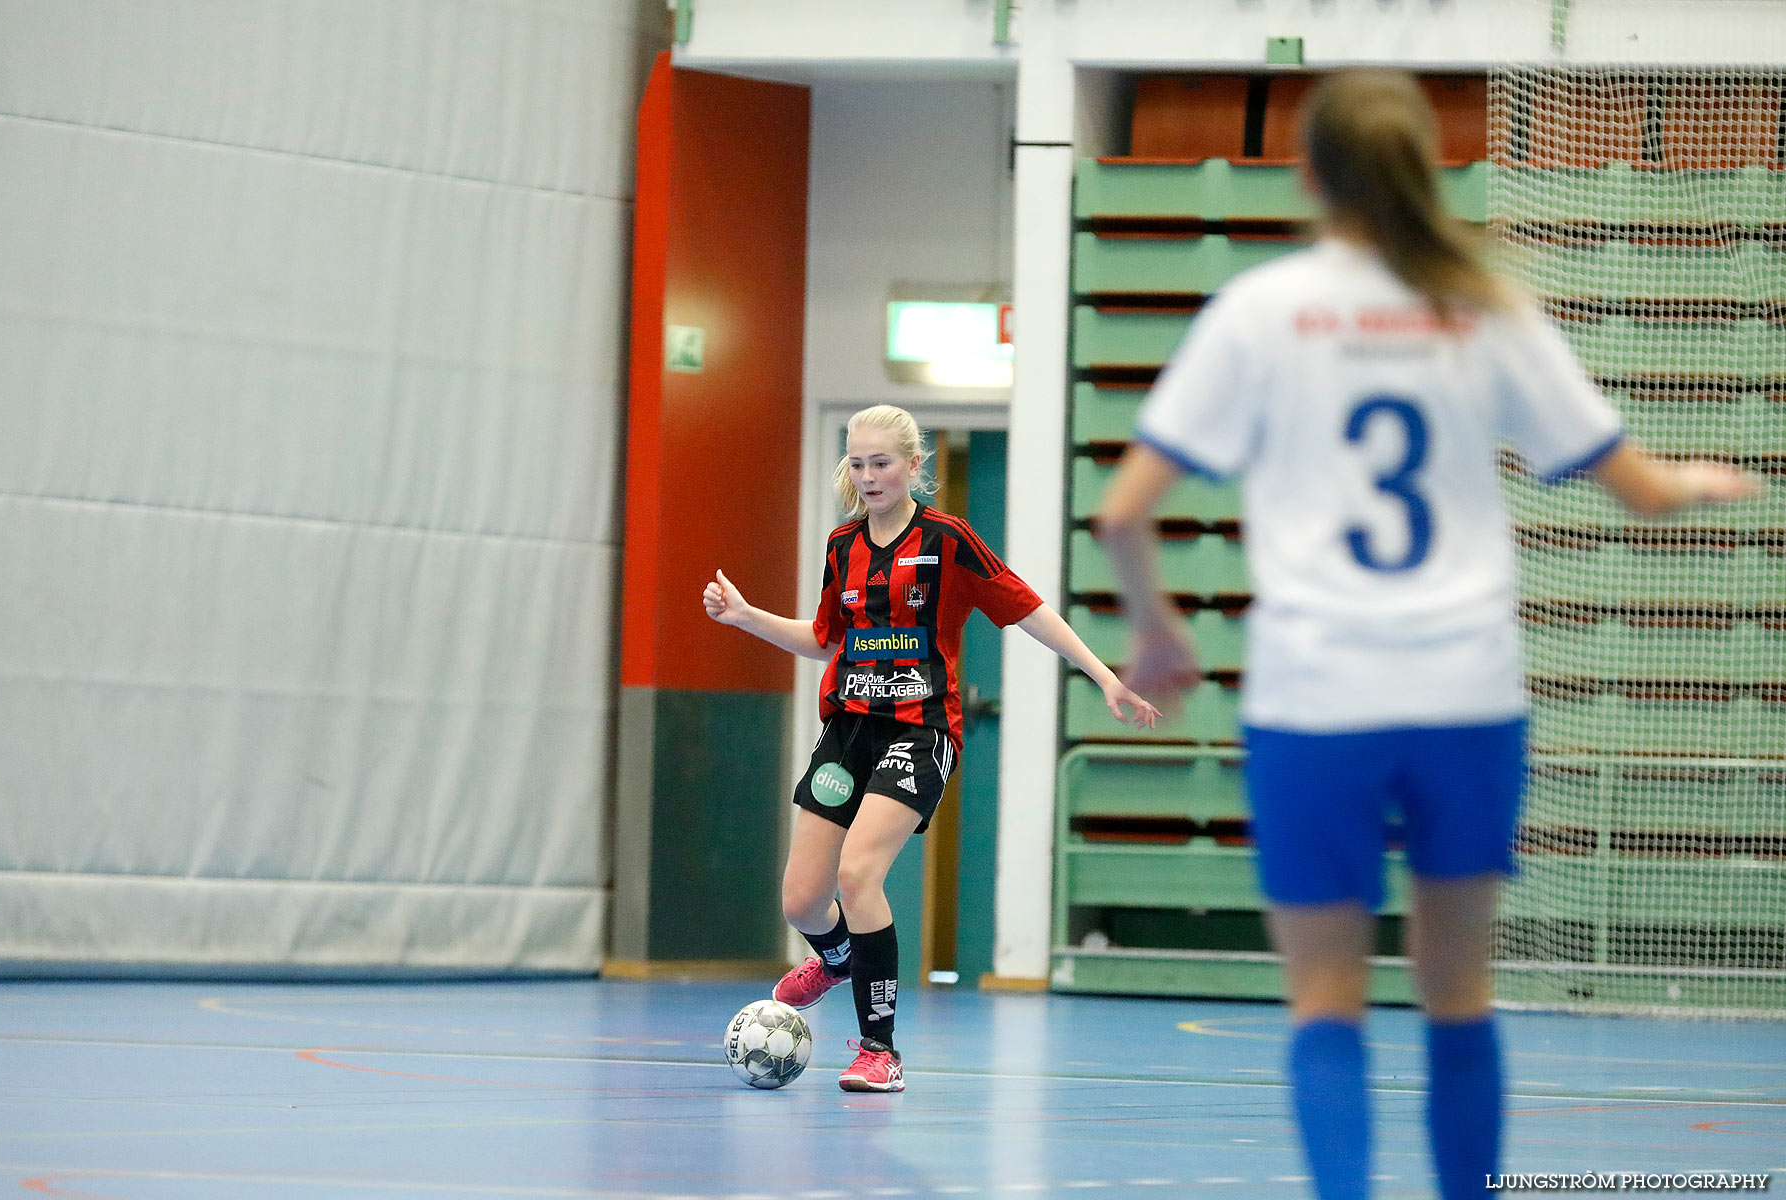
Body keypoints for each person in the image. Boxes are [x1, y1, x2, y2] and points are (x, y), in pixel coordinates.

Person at [1093, 70, 1760, 1199]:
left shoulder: (1259, 310)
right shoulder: (1483, 304)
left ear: (1309, 177)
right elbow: (1639, 490)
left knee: (1324, 1004)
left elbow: (1121, 511)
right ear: (1426, 172)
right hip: (1466, 694)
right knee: (1459, 997)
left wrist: (1158, 633)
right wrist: (1702, 480)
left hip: (1316, 697)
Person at [704, 403, 1159, 1092]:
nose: (869, 475)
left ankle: (879, 1050)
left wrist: (1103, 676)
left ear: (914, 466)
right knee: (802, 900)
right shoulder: (841, 547)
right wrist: (745, 618)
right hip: (849, 730)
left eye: (882, 462)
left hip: (920, 732)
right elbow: (826, 639)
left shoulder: (948, 539)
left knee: (858, 875)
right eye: (857, 464)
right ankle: (835, 959)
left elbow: (1029, 608)